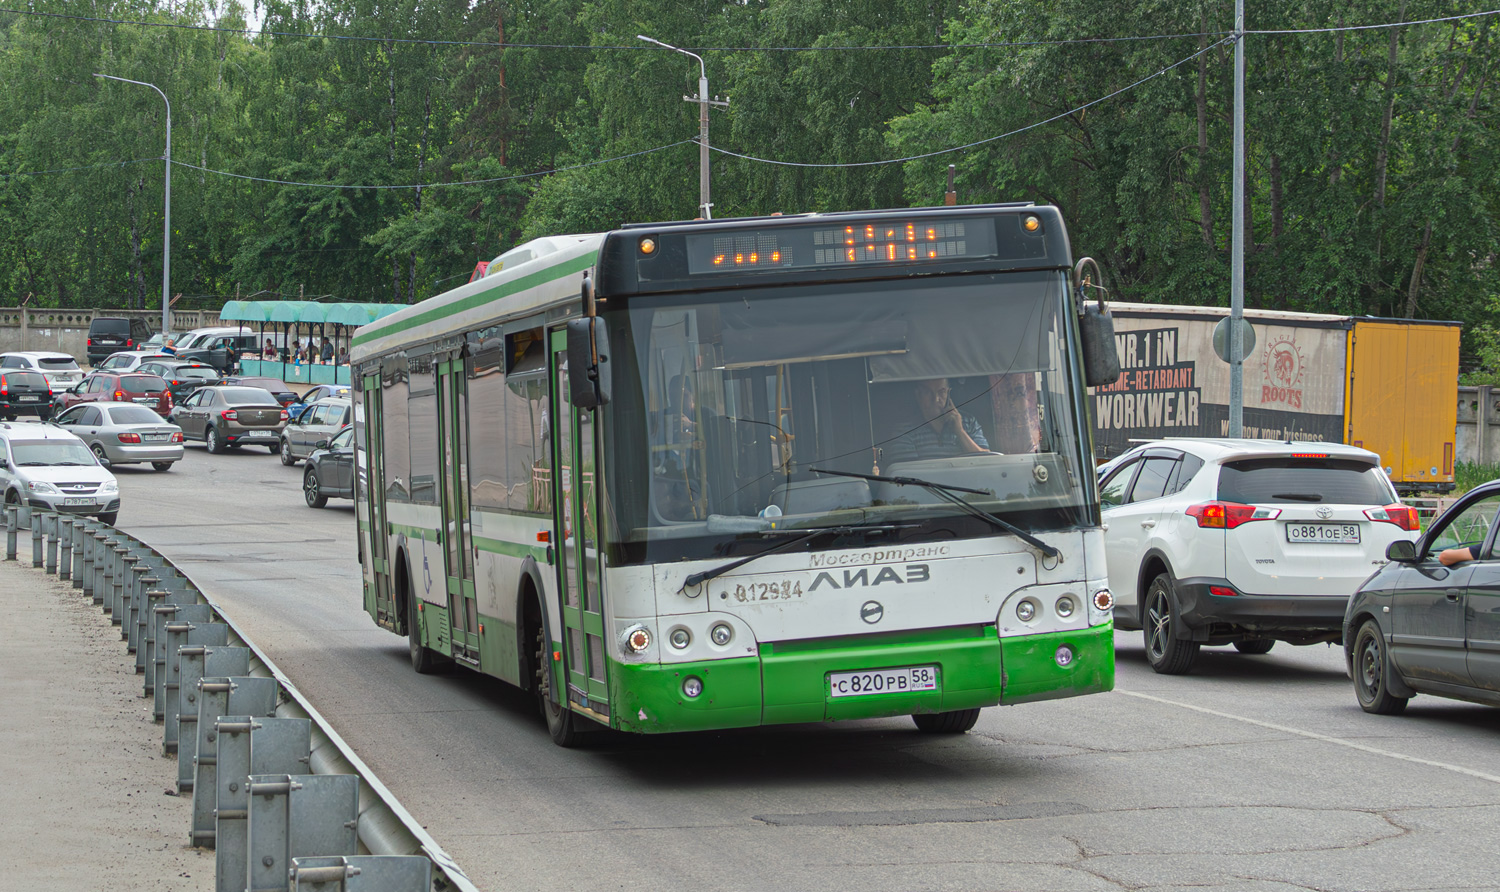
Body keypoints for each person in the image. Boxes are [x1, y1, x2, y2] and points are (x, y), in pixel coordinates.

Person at [882, 378, 990, 464]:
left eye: (941, 392)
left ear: (948, 393)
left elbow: (987, 462)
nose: (936, 399)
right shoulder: (904, 430)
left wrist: (960, 432)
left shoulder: (969, 422)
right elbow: (906, 476)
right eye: (928, 392)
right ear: (918, 394)